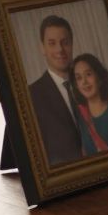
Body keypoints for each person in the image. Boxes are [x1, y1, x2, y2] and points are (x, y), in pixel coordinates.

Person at [28, 15, 84, 165]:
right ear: (42, 48)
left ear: (72, 44)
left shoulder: (91, 84)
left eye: (64, 42)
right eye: (52, 43)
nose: (60, 49)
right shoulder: (31, 97)